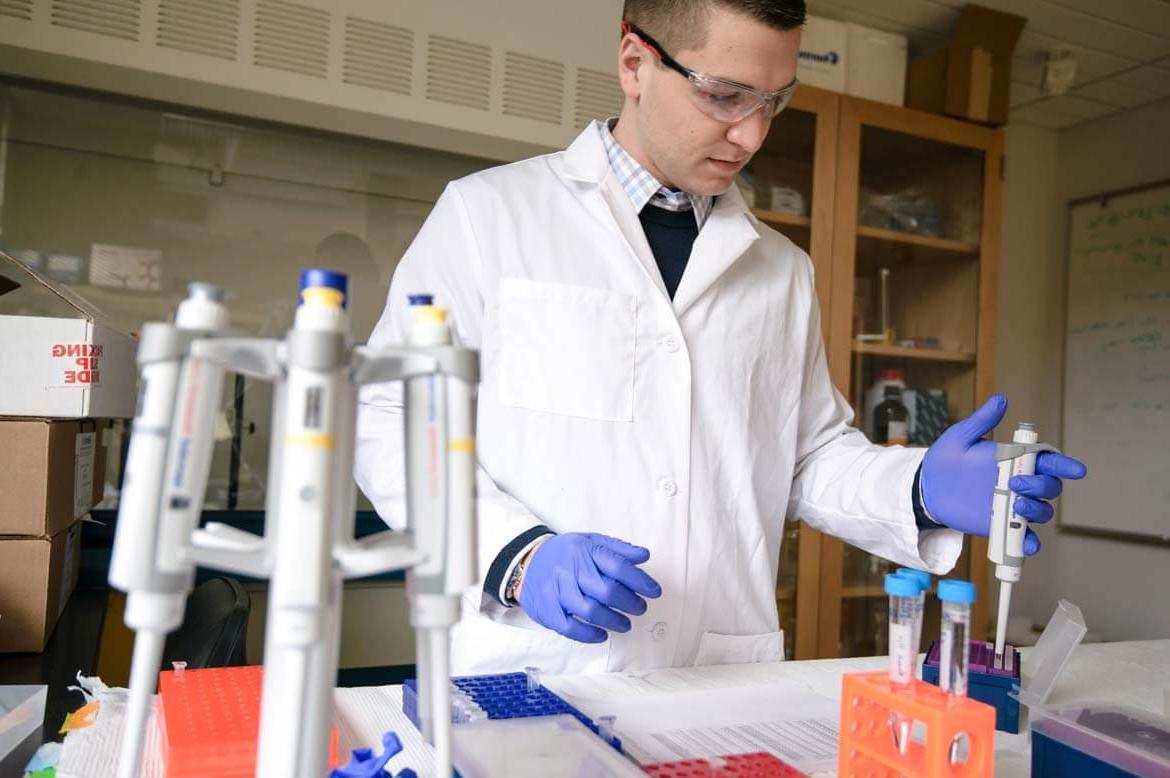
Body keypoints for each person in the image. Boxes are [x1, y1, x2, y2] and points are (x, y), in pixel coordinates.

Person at [355, 0, 1086, 676]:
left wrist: (920, 488)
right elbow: (390, 419)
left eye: (774, 102)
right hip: (533, 667)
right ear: (635, 64)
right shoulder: (490, 218)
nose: (754, 133)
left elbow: (806, 457)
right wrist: (514, 556)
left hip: (719, 677)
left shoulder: (781, 270)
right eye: (726, 95)